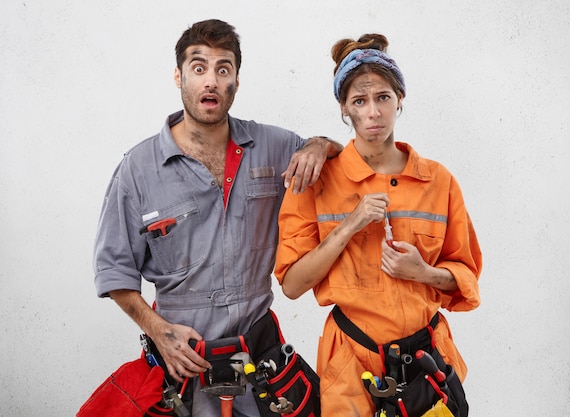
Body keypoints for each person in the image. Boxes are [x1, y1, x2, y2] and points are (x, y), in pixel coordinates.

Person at [93, 19, 341, 417]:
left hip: (260, 363)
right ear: (178, 75)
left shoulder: (271, 146)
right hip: (183, 365)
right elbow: (112, 271)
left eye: (223, 69)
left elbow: (340, 156)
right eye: (198, 67)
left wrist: (318, 144)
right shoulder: (139, 170)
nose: (210, 80)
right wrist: (158, 331)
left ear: (236, 82)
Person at [274, 34, 481, 416]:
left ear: (399, 100)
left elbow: (466, 276)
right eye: (359, 101)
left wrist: (425, 273)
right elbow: (291, 284)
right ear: (344, 109)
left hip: (428, 365)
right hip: (351, 366)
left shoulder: (438, 181)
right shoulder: (316, 181)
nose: (373, 113)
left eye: (383, 97)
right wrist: (348, 226)